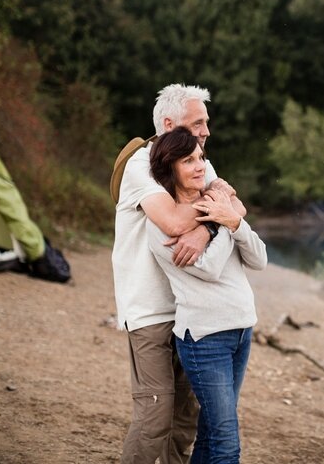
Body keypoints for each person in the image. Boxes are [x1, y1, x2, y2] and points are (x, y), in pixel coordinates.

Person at [113, 84, 245, 464]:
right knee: (154, 416)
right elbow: (171, 221)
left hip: (192, 310)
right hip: (150, 309)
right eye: (197, 122)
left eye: (206, 123)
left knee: (184, 421)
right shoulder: (141, 165)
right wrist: (216, 206)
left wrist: (206, 228)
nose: (205, 131)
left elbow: (236, 209)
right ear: (169, 123)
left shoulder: (199, 160)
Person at [147, 127, 267, 464]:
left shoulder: (217, 206)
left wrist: (232, 222)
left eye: (200, 157)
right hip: (204, 340)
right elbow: (210, 267)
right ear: (169, 169)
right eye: (188, 160)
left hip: (242, 330)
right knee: (227, 442)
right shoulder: (163, 226)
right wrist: (222, 222)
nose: (200, 165)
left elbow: (260, 258)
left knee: (211, 434)